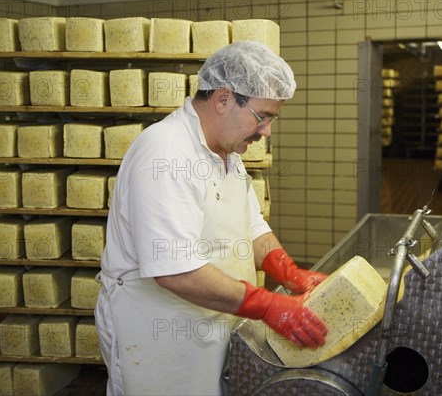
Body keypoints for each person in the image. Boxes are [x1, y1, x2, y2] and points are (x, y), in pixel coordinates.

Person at [95, 40, 329, 396]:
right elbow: (174, 270)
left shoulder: (226, 154)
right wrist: (266, 305)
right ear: (223, 98)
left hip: (213, 321)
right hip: (158, 334)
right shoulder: (166, 153)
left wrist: (290, 273)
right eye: (263, 116)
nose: (266, 131)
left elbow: (251, 227)